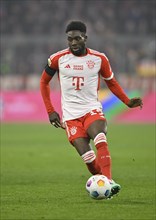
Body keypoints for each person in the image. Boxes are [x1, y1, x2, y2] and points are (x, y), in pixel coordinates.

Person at [40, 21, 143, 198]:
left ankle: (108, 183)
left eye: (77, 38)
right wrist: (50, 111)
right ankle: (103, 185)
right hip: (71, 116)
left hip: (91, 109)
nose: (73, 43)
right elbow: (44, 82)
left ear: (85, 38)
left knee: (100, 138)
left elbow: (111, 82)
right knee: (88, 157)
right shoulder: (58, 59)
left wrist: (126, 101)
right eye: (70, 39)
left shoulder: (99, 59)